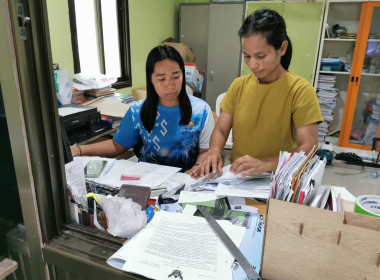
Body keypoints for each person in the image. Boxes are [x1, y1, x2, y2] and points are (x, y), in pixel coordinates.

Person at [191, 9, 323, 178]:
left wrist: (266, 164)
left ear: (282, 48)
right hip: (238, 176)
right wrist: (214, 151)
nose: (253, 65)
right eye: (247, 56)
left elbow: (308, 147)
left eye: (260, 56)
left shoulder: (300, 90)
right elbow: (222, 130)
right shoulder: (239, 86)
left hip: (278, 179)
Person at [71, 45, 214, 173]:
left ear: (183, 75)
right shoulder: (137, 111)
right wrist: (79, 149)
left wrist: (196, 170)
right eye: (161, 79)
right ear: (151, 80)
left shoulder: (201, 111)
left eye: (176, 77)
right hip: (148, 181)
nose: (170, 85)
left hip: (187, 182)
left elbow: (206, 151)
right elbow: (116, 146)